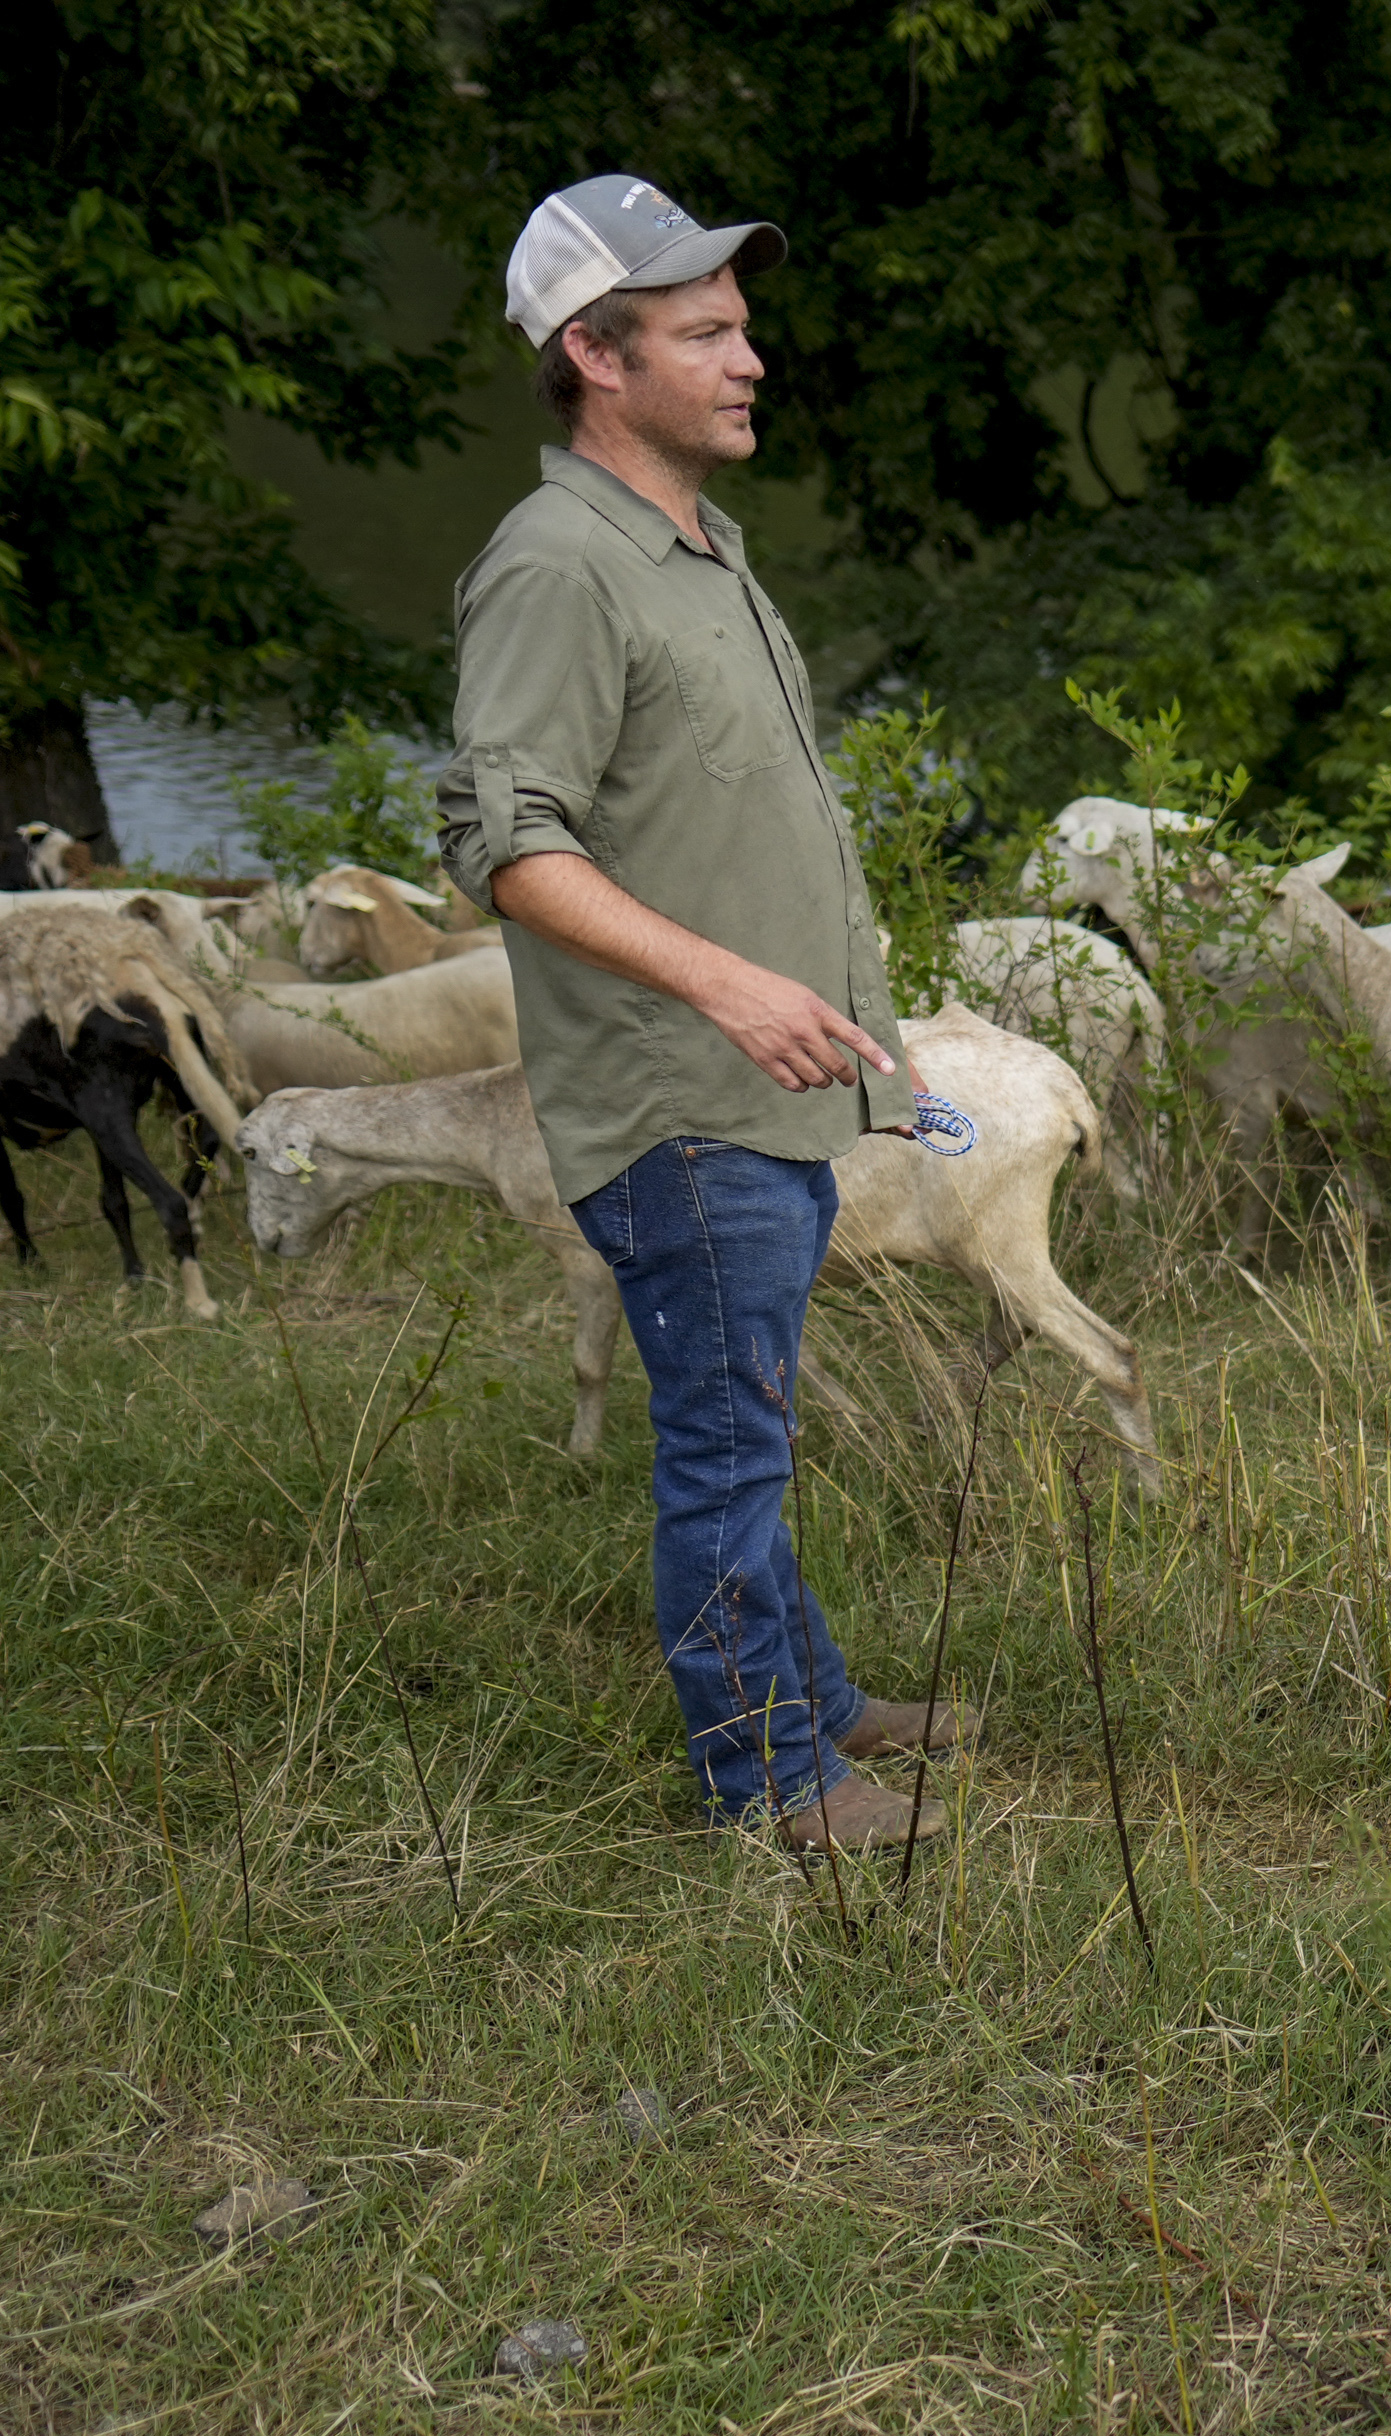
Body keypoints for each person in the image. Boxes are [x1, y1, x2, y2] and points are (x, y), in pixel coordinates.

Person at [439, 176, 961, 1852]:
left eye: (743, 326)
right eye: (707, 332)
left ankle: (809, 1692)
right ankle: (774, 1786)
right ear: (596, 352)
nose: (751, 360)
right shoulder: (556, 569)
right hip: (678, 1096)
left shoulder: (696, 549)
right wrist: (729, 985)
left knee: (757, 1415)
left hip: (770, 1090)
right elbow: (507, 844)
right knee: (726, 1452)